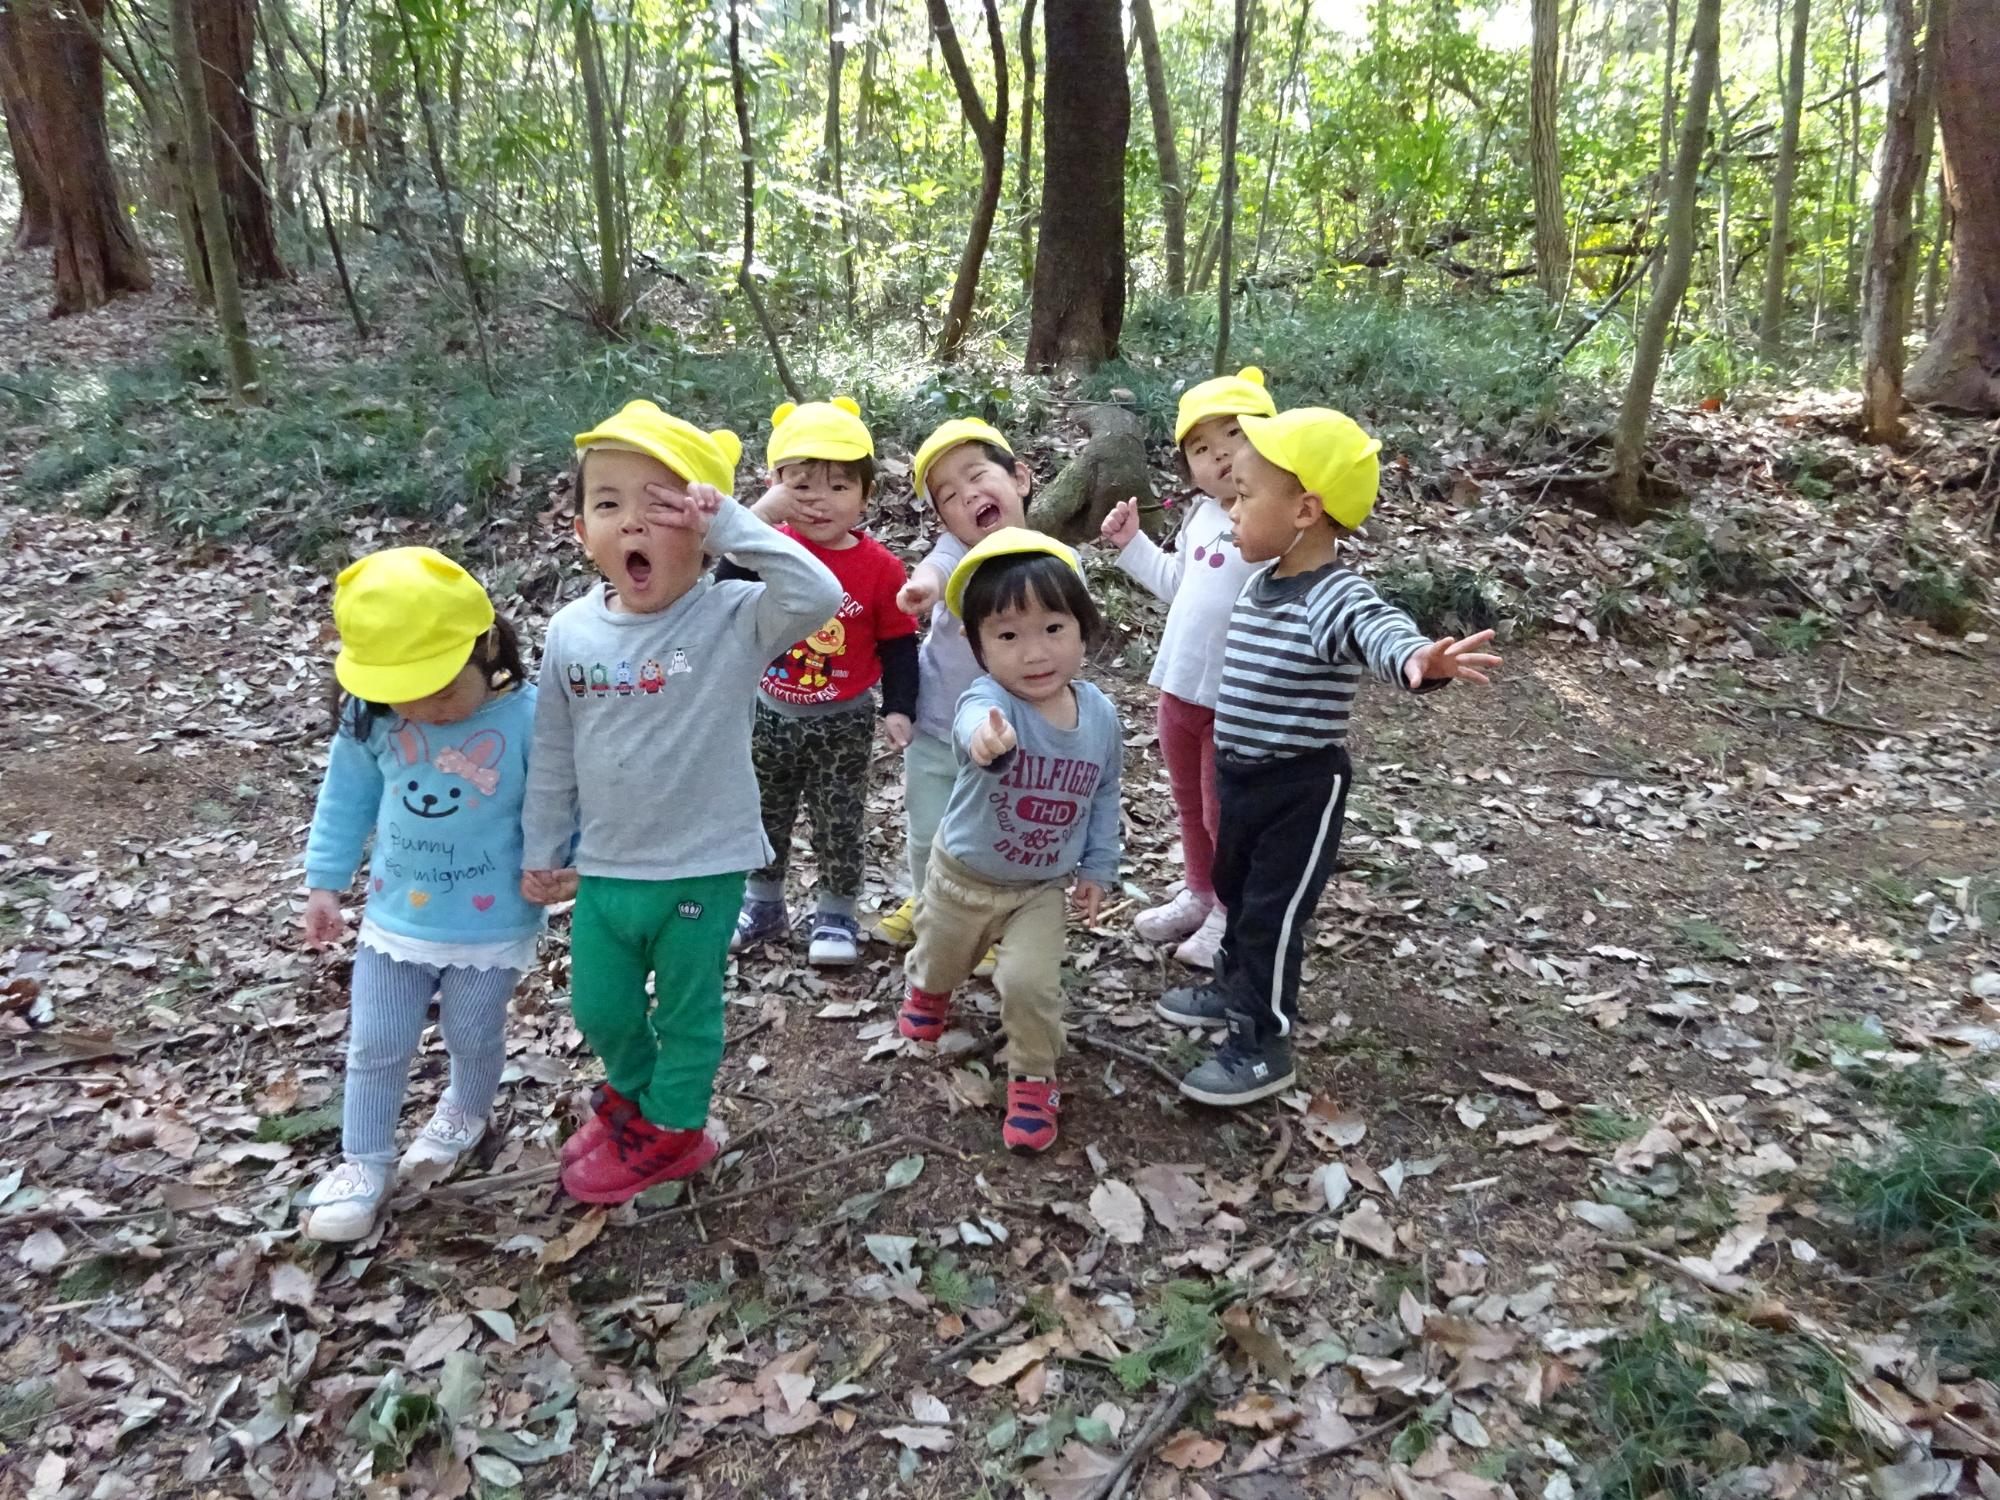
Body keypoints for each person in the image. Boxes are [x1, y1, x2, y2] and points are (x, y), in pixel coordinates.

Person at [520, 400, 841, 1204]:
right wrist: (542, 844)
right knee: (599, 1006)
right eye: (608, 503)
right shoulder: (569, 632)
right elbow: (553, 749)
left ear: (699, 528)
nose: (632, 521)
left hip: (703, 866)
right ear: (580, 533)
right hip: (606, 866)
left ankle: (674, 1129)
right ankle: (635, 1095)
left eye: (661, 504)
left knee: (689, 1012)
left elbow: (819, 590)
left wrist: (732, 520)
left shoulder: (732, 616)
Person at [1158, 408, 1501, 1107]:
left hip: (1297, 789)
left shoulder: (1333, 594)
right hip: (1241, 773)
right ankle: (1232, 986)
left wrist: (1416, 659)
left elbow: (1378, 627)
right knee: (1233, 886)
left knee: (1270, 915)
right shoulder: (1264, 580)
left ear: (1305, 510)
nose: (1233, 508)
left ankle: (1262, 1042)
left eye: (1247, 494)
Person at [299, 548, 566, 1242]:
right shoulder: (372, 718)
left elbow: (561, 800)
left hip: (493, 921)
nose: (423, 711)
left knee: (471, 1032)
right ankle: (363, 1162)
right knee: (376, 1042)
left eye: (442, 692)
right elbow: (345, 801)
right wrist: (325, 883)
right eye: (404, 694)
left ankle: (465, 1110)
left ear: (486, 647)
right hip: (393, 919)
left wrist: (565, 864)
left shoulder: (529, 718)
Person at [898, 530, 1122, 1153]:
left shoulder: (1100, 716)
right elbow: (972, 723)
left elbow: (1105, 793)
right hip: (962, 876)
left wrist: (1099, 868)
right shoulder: (989, 700)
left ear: (1083, 629)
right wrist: (984, 741)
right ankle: (927, 988)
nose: (1034, 653)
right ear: (979, 649)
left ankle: (1033, 1077)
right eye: (1007, 635)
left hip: (1039, 887)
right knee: (943, 957)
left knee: (1028, 983)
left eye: (1053, 627)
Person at [724, 399, 918, 966]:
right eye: (802, 485)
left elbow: (899, 641)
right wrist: (761, 515)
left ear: (865, 495)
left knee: (839, 817)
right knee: (764, 812)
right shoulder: (768, 548)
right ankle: (762, 904)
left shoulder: (880, 567)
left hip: (844, 717)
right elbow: (725, 579)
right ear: (775, 486)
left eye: (839, 486)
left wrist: (899, 706)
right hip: (769, 711)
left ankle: (835, 912)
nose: (820, 501)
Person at [1100, 366, 1278, 970]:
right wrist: (1132, 546)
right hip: (1179, 687)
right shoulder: (1202, 513)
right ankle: (1200, 892)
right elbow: (1178, 583)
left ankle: (1231, 908)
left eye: (1234, 434)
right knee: (1186, 799)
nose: (1220, 453)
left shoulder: (1276, 519)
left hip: (1238, 697)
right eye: (1201, 447)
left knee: (1219, 806)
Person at [873, 418, 1034, 959]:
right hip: (937, 726)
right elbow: (938, 567)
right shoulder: (953, 550)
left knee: (987, 840)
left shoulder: (1050, 564)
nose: (967, 495)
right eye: (948, 496)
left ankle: (986, 929)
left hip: (1006, 738)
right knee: (926, 832)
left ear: (1021, 479)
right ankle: (927, 906)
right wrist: (921, 588)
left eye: (976, 476)